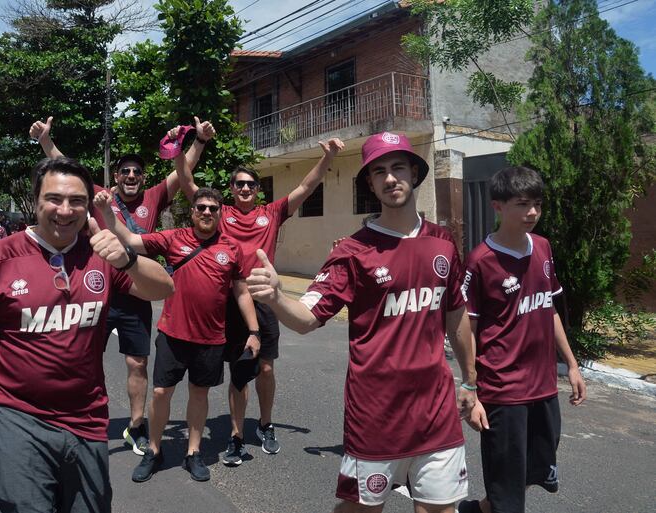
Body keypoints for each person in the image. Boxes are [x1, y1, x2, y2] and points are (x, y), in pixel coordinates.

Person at [0, 157, 175, 513]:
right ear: (36, 201)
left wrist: (127, 260)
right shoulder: (1, 256)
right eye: (54, 198)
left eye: (77, 200)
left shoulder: (101, 252)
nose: (65, 209)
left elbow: (163, 288)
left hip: (87, 420)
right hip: (15, 416)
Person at [246, 132, 477, 513]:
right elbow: (307, 319)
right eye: (379, 171)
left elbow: (456, 316)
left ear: (414, 173)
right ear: (370, 183)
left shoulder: (443, 241)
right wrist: (276, 297)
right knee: (362, 509)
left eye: (398, 167)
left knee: (440, 509)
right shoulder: (353, 251)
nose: (390, 178)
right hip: (376, 413)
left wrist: (470, 381)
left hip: (436, 410)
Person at [29, 115, 215, 456]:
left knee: (138, 363)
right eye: (125, 172)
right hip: (93, 289)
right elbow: (65, 170)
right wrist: (45, 140)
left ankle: (136, 425)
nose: (131, 176)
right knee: (81, 358)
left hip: (136, 293)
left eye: (137, 172)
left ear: (143, 178)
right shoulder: (99, 195)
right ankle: (78, 419)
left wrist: (199, 141)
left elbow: (182, 169)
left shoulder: (156, 196)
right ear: (115, 177)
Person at [174, 126, 344, 463]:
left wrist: (328, 157)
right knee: (240, 373)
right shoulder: (222, 215)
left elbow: (306, 187)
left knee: (265, 369)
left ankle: (265, 424)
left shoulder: (272, 213)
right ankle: (237, 435)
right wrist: (183, 148)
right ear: (232, 190)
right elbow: (187, 183)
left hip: (265, 301)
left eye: (251, 184)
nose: (246, 188)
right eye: (239, 184)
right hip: (232, 303)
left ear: (258, 189)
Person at [95, 186, 260, 483]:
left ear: (220, 212)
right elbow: (131, 239)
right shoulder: (174, 238)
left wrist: (254, 331)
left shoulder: (232, 248)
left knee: (199, 394)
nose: (207, 212)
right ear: (193, 212)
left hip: (211, 338)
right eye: (201, 208)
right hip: (172, 333)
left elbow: (242, 292)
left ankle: (193, 453)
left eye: (213, 208)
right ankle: (154, 451)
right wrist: (108, 212)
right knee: (160, 393)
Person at [457, 166, 587, 513]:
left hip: (543, 387)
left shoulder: (543, 247)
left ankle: (480, 509)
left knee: (530, 470)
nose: (532, 212)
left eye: (538, 205)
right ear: (498, 206)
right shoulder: (480, 261)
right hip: (503, 390)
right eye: (522, 204)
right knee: (508, 484)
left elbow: (550, 310)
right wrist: (471, 388)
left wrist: (572, 366)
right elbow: (465, 329)